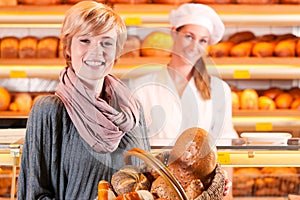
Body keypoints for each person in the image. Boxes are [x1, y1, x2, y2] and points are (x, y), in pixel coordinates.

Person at [17, 1, 150, 199]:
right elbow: (34, 194)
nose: (96, 51)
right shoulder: (50, 111)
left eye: (106, 42)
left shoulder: (131, 107)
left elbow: (148, 180)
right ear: (68, 47)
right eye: (85, 40)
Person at [126, 3, 239, 198]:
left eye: (202, 40)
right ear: (174, 33)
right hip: (155, 189)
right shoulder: (140, 87)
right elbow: (131, 148)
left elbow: (225, 145)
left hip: (200, 189)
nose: (194, 46)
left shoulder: (220, 90)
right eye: (189, 36)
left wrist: (225, 193)